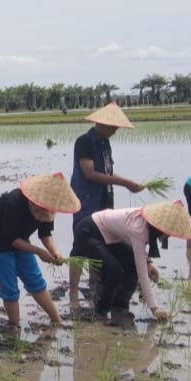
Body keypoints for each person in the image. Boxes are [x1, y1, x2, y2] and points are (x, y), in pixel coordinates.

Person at [0, 173, 80, 327]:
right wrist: (39, 252)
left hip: (21, 240)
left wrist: (54, 252)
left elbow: (45, 234)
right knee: (10, 288)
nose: (42, 218)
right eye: (40, 214)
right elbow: (12, 240)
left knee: (35, 280)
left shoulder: (48, 208)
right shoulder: (13, 203)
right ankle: (14, 327)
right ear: (34, 203)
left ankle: (56, 320)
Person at [70, 199, 191, 321]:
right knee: (112, 271)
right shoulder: (139, 228)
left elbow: (134, 247)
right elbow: (142, 274)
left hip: (111, 236)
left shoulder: (147, 225)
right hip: (89, 231)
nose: (169, 235)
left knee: (131, 267)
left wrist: (148, 263)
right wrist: (154, 308)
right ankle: (100, 311)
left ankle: (119, 306)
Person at [69, 102, 144, 299]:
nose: (115, 131)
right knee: (80, 245)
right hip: (85, 200)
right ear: (101, 124)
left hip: (104, 199)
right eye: (113, 127)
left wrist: (127, 182)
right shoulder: (84, 142)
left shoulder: (105, 144)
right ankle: (73, 290)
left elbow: (107, 172)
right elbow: (90, 174)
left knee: (101, 243)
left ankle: (94, 284)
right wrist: (124, 182)